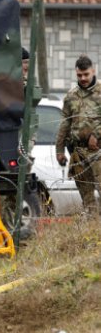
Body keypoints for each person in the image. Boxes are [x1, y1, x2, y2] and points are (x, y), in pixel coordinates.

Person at [55, 55, 101, 215]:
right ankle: (92, 231)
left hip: (98, 152)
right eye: (79, 75)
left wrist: (97, 134)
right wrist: (59, 150)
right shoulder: (71, 96)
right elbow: (65, 124)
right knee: (87, 199)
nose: (83, 78)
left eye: (86, 74)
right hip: (78, 153)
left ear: (93, 71)